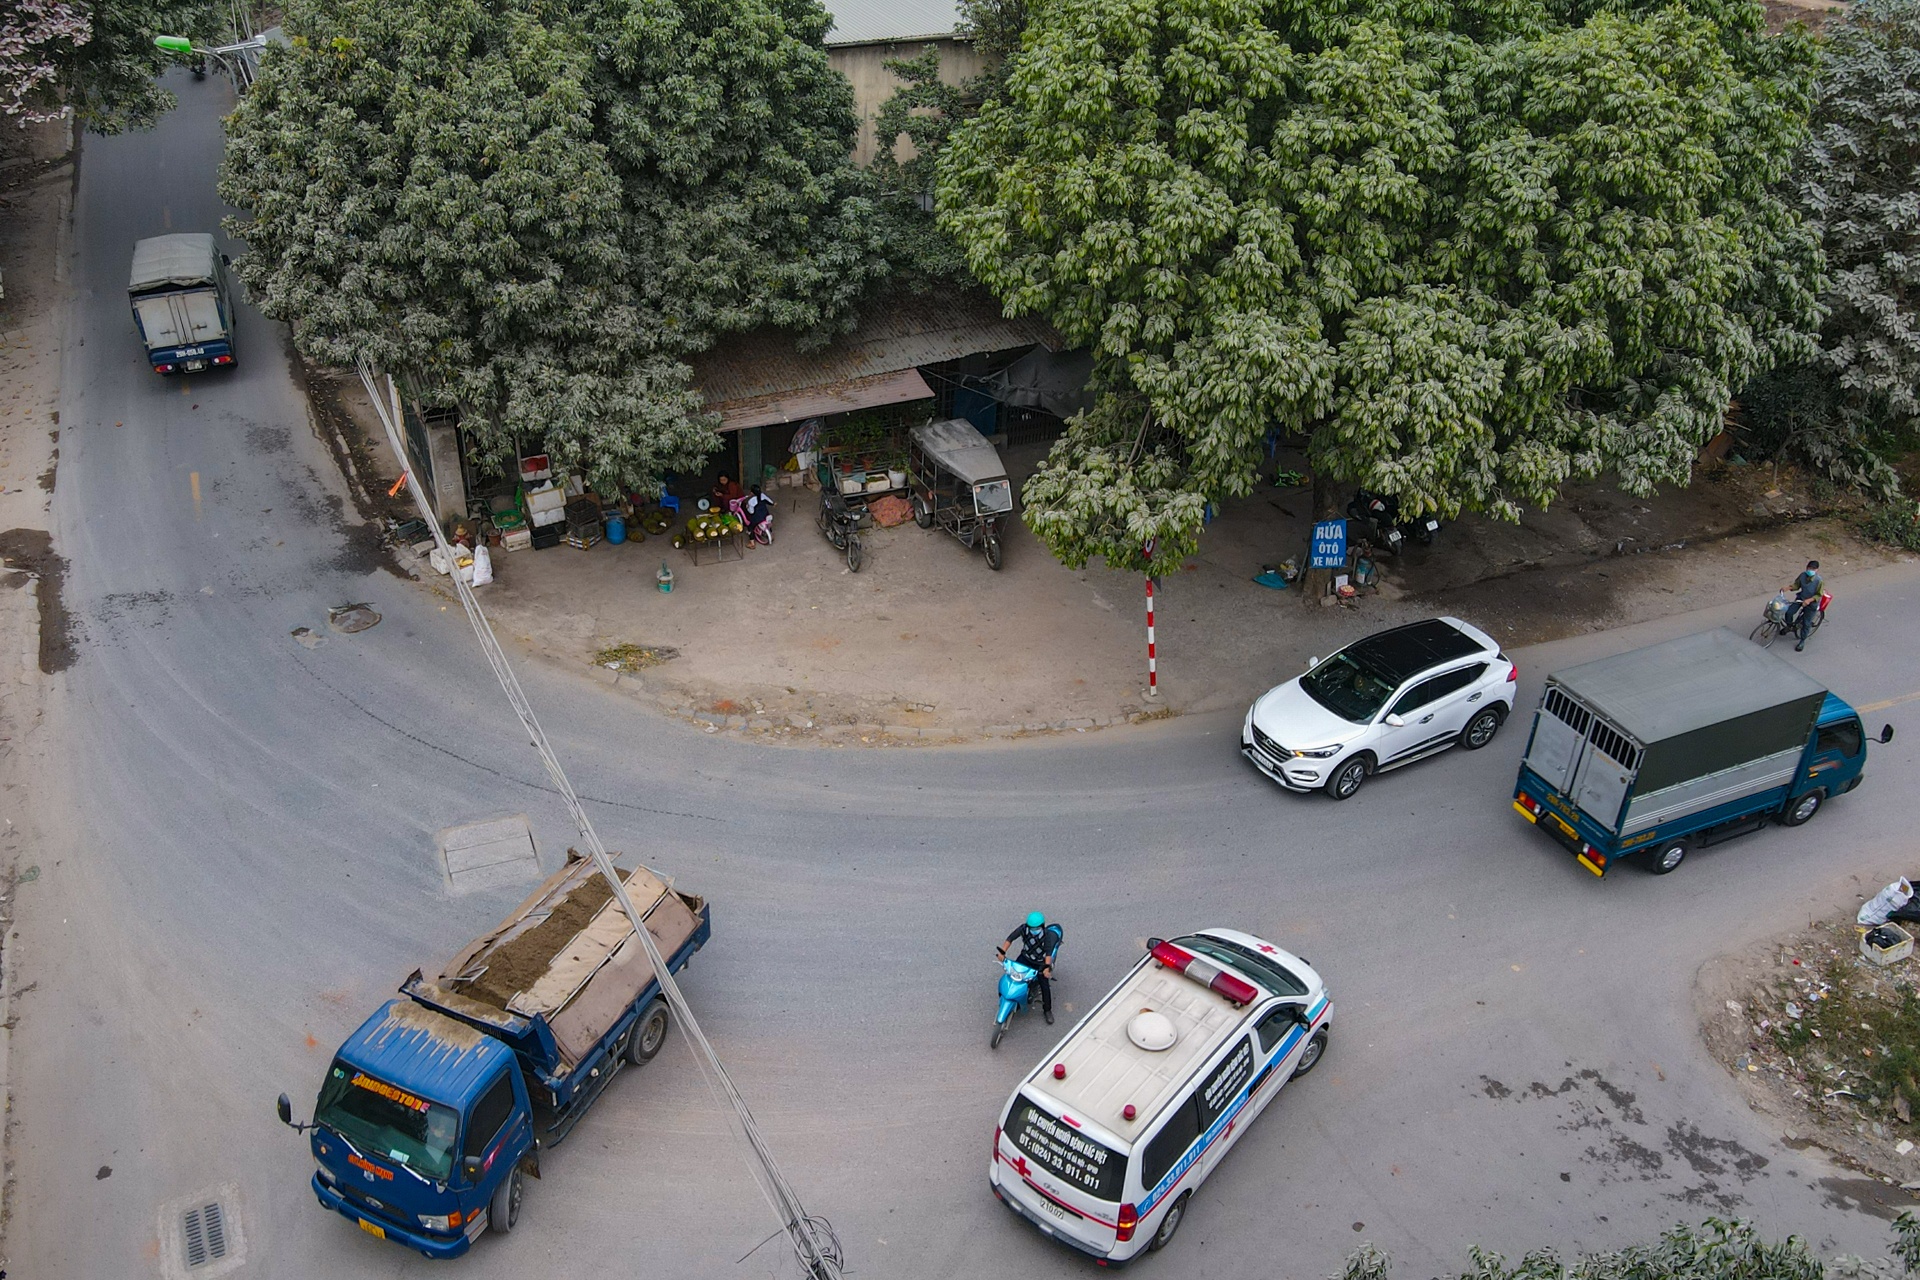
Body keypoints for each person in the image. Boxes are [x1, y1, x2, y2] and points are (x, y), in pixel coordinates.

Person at [998, 911, 1060, 1024]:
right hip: (1025, 958)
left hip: (1040, 962)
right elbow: (1010, 938)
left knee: (1044, 986)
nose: (1033, 930)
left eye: (1036, 928)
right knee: (1012, 976)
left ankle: (1047, 1010)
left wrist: (1046, 968)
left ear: (1042, 926)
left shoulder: (1047, 936)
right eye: (1031, 928)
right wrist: (1002, 952)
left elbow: (1048, 954)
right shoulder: (1024, 929)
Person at [1782, 559, 1823, 651]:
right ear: (1806, 567)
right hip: (1801, 598)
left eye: (1813, 569)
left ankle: (1802, 641)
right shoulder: (1803, 575)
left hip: (1811, 603)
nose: (1811, 570)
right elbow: (1797, 585)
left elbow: (1819, 594)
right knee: (1789, 612)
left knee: (1806, 623)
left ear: (1817, 570)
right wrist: (1788, 588)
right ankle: (1789, 626)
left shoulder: (1819, 580)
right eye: (1809, 568)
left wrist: (1809, 600)